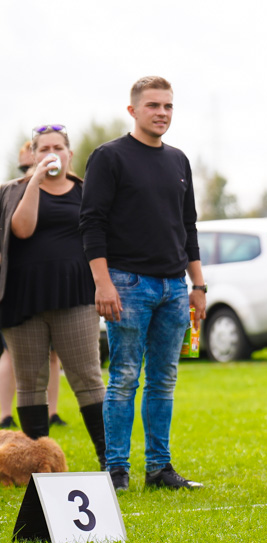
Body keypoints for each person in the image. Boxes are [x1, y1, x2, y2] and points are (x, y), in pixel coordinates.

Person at [80, 76, 206, 492]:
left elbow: (187, 226)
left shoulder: (178, 160)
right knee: (124, 378)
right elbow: (92, 223)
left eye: (168, 106)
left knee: (163, 380)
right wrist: (103, 283)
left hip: (173, 288)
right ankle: (116, 469)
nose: (162, 113)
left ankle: (159, 468)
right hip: (126, 283)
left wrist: (198, 286)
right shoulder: (109, 157)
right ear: (132, 110)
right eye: (153, 106)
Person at [0, 125, 106, 468]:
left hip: (76, 296)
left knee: (87, 377)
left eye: (58, 147)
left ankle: (111, 460)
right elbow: (23, 229)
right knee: (31, 382)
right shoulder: (13, 191)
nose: (51, 153)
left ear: (69, 154)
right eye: (43, 148)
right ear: (32, 154)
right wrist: (35, 181)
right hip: (23, 300)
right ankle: (37, 465)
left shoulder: (86, 192)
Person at [0, 141, 66, 430]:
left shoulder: (62, 192)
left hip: (52, 288)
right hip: (18, 290)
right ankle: (4, 413)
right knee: (11, 355)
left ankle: (52, 412)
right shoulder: (11, 191)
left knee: (53, 357)